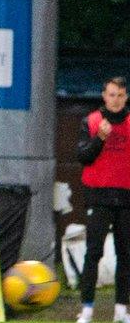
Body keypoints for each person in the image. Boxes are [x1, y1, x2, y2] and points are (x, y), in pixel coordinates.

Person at [76, 76, 130, 323]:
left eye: (120, 95)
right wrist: (100, 138)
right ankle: (87, 308)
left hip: (126, 197)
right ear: (103, 95)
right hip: (98, 196)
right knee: (93, 252)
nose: (115, 100)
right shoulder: (91, 121)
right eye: (111, 94)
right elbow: (83, 157)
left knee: (126, 254)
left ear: (126, 97)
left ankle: (121, 309)